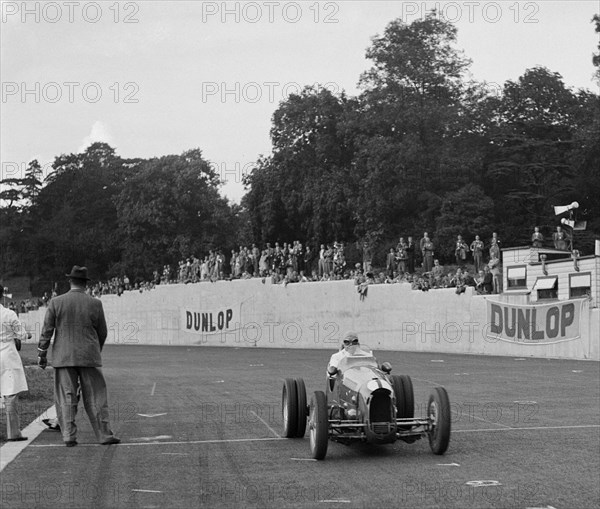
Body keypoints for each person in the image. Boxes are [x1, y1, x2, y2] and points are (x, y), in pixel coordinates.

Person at [38, 266, 120, 447]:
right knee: (96, 396)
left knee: (66, 396)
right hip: (88, 355)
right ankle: (104, 435)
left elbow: (47, 330)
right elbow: (102, 332)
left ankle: (68, 435)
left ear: (70, 281)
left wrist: (42, 353)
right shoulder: (95, 303)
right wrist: (94, 350)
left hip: (63, 356)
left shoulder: (56, 302)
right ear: (85, 283)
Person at [0, 285, 31, 441]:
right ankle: (13, 432)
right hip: (7, 355)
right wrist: (28, 334)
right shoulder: (8, 313)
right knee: (10, 394)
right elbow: (22, 335)